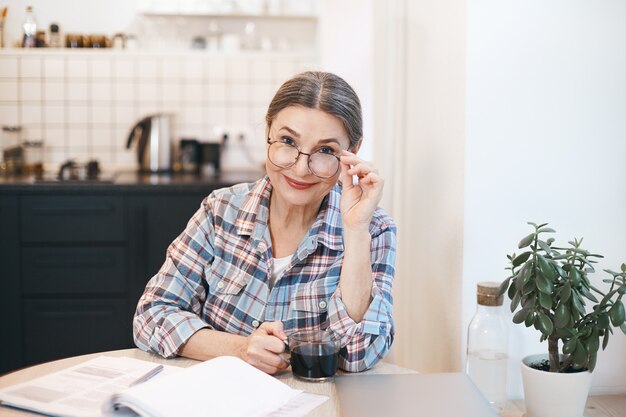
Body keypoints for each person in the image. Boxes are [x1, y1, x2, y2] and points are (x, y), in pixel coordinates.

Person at [133, 71, 396, 374]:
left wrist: (355, 230)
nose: (300, 168)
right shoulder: (221, 210)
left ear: (353, 152)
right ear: (268, 131)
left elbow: (361, 354)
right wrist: (240, 349)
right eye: (287, 141)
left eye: (325, 151)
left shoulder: (374, 229)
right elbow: (150, 315)